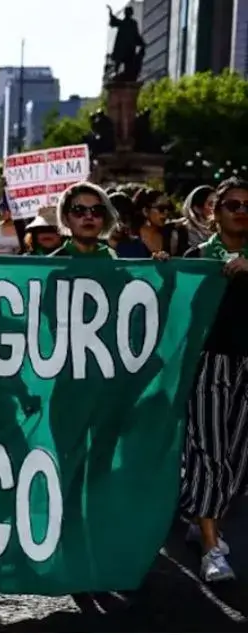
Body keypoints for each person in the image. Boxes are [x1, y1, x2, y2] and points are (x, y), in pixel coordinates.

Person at [180, 177, 248, 582]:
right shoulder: (198, 256)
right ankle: (211, 547)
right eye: (233, 204)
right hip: (210, 364)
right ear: (215, 212)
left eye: (247, 205)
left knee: (239, 459)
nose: (241, 210)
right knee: (209, 452)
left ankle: (203, 510)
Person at [49, 182, 120, 258]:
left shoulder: (113, 258)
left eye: (97, 210)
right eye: (78, 210)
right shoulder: (52, 265)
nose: (89, 216)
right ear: (65, 219)